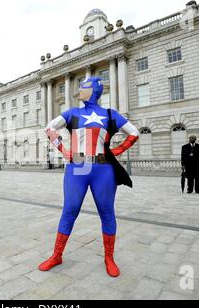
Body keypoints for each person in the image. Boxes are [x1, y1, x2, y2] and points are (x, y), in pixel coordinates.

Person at [38, 77, 140, 278]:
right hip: (77, 166)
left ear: (93, 90)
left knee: (107, 212)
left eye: (83, 87)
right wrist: (65, 151)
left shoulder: (110, 114)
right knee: (69, 211)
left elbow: (134, 133)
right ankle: (57, 255)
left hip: (103, 168)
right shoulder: (72, 113)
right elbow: (49, 128)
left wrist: (118, 150)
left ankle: (109, 258)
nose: (79, 91)